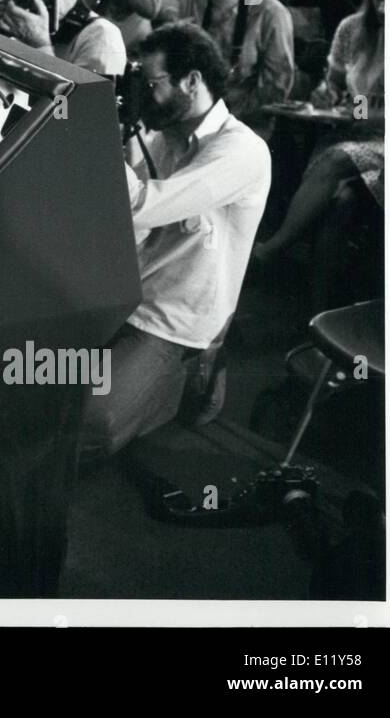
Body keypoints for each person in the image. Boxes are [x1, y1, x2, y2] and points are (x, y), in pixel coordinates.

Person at [80, 23, 271, 459]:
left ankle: (199, 369)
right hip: (126, 292)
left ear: (192, 81)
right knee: (28, 381)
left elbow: (140, 204)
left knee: (91, 423)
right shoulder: (159, 135)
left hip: (175, 320)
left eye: (150, 84)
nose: (142, 95)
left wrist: (97, 129)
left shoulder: (243, 151)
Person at [253, 0, 383, 267]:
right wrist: (326, 93)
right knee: (340, 203)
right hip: (348, 133)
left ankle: (272, 249)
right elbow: (338, 84)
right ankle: (317, 307)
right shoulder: (352, 29)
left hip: (389, 143)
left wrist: (359, 112)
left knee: (337, 158)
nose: (384, 8)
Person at [176, 0, 295, 139]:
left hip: (245, 125)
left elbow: (275, 89)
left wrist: (222, 117)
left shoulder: (271, 13)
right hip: (189, 117)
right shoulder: (191, 0)